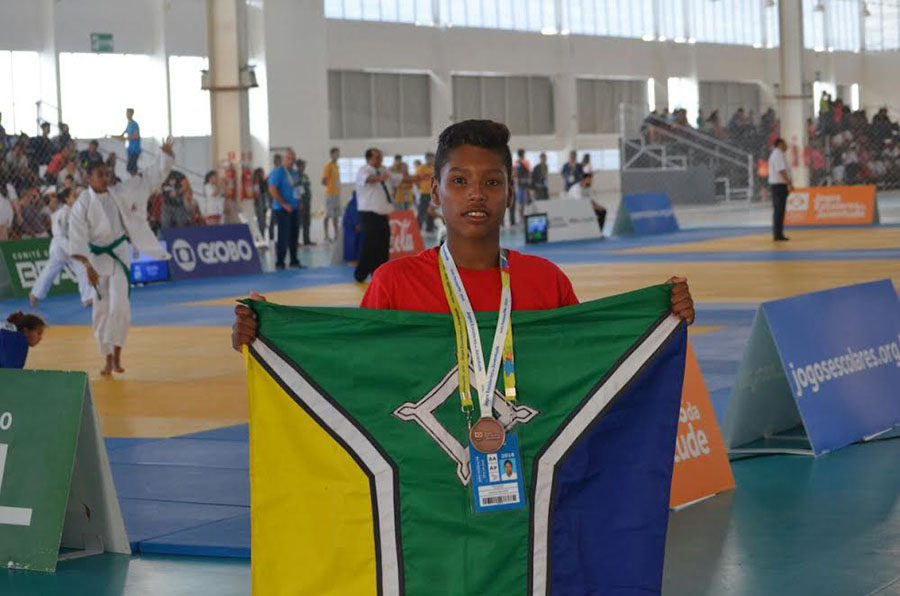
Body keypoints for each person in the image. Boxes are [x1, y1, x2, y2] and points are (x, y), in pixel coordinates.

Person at [233, 120, 695, 349]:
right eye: (460, 181)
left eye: (492, 182)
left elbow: (590, 357)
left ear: (511, 192)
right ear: (435, 192)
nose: (477, 194)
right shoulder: (393, 284)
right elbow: (354, 368)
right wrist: (270, 337)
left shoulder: (545, 280)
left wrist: (662, 318)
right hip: (423, 489)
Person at [69, 140, 175, 376]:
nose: (105, 179)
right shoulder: (82, 204)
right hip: (95, 259)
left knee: (120, 306)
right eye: (99, 175)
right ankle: (106, 357)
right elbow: (77, 237)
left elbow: (147, 179)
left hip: (118, 255)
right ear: (89, 178)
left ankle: (117, 356)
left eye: (106, 174)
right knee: (101, 310)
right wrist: (86, 265)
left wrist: (164, 157)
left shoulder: (120, 193)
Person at [29, 188, 93, 308]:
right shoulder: (62, 213)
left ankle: (87, 298)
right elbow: (59, 235)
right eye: (74, 196)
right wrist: (71, 250)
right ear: (67, 199)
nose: (77, 198)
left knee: (82, 268)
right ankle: (35, 294)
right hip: (60, 248)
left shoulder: (76, 213)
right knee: (50, 272)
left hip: (71, 246)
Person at [353, 148, 403, 282]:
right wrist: (381, 177)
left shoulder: (384, 170)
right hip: (368, 215)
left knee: (383, 244)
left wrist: (418, 178)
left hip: (382, 215)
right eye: (377, 157)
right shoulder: (364, 170)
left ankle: (380, 272)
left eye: (381, 157)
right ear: (369, 158)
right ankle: (360, 274)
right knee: (368, 245)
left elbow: (398, 179)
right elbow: (369, 179)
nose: (380, 159)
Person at [267, 148, 301, 269]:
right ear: (283, 159)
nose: (291, 161)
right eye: (288, 158)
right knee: (283, 236)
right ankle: (280, 262)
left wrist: (299, 202)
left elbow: (297, 189)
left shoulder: (295, 173)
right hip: (281, 210)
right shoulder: (278, 172)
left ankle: (294, 260)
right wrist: (284, 204)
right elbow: (272, 189)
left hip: (294, 209)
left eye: (293, 159)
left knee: (294, 235)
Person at [767, 138, 792, 242]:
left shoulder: (778, 154)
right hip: (778, 186)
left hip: (779, 185)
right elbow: (781, 170)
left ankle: (779, 233)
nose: (787, 146)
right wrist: (789, 182)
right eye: (785, 144)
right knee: (779, 210)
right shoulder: (777, 154)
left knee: (780, 210)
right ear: (780, 144)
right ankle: (777, 234)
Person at [321, 147, 341, 243]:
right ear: (331, 154)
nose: (338, 155)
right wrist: (330, 187)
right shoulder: (328, 166)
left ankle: (336, 235)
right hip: (330, 194)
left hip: (336, 194)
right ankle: (326, 236)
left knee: (336, 215)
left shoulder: (336, 166)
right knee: (328, 215)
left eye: (338, 153)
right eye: (336, 153)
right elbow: (323, 181)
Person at [116, 108, 141, 175]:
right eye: (127, 113)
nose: (127, 115)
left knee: (132, 168)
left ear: (132, 114)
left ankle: (137, 181)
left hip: (135, 150)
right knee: (130, 168)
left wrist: (126, 138)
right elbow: (122, 135)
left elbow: (136, 136)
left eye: (129, 113)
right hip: (130, 150)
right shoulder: (129, 124)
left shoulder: (134, 124)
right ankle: (136, 181)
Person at [295, 159, 314, 246]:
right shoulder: (296, 176)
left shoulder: (305, 176)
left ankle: (307, 240)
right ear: (298, 166)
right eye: (302, 165)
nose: (304, 167)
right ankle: (295, 241)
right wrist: (300, 202)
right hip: (300, 203)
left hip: (307, 202)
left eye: (304, 165)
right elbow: (297, 190)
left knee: (307, 221)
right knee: (298, 222)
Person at [415, 152, 436, 233]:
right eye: (430, 158)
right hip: (424, 193)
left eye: (433, 158)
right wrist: (420, 188)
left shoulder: (434, 168)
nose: (431, 160)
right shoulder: (421, 168)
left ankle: (429, 228)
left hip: (433, 193)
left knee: (431, 210)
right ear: (426, 159)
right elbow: (416, 179)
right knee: (422, 211)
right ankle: (417, 227)